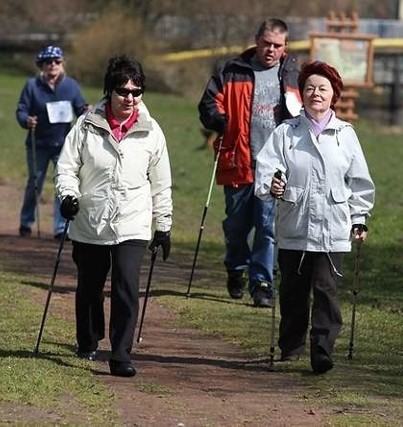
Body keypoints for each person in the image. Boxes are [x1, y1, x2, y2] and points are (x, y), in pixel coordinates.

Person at [55, 55, 172, 377]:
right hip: (90, 218)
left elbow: (161, 183)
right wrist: (68, 196)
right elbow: (66, 168)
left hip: (132, 220)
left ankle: (121, 354)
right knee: (90, 285)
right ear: (109, 91)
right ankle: (88, 339)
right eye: (123, 91)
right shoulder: (86, 125)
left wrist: (163, 226)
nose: (130, 98)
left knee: (126, 286)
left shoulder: (151, 131)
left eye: (137, 91)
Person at [254, 61, 375, 374]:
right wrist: (273, 184)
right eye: (309, 88)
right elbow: (267, 168)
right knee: (293, 291)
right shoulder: (286, 132)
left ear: (333, 94)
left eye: (322, 89)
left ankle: (322, 349)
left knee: (326, 290)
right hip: (295, 223)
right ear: (302, 94)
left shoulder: (346, 134)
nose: (315, 94)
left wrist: (359, 217)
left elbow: (360, 182)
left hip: (333, 227)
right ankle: (291, 346)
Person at [197, 18, 302, 308]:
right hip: (238, 159)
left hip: (276, 166)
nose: (271, 50)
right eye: (266, 43)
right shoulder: (232, 70)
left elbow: (308, 109)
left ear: (285, 47)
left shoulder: (293, 74)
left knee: (268, 227)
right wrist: (221, 120)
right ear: (256, 39)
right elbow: (208, 103)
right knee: (236, 225)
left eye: (277, 45)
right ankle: (236, 268)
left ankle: (262, 283)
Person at [16, 45, 89, 240]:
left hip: (63, 145)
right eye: (48, 62)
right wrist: (26, 120)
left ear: (62, 64)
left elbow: (80, 107)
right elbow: (21, 110)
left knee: (62, 184)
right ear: (41, 65)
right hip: (37, 143)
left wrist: (85, 110)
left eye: (57, 61)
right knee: (34, 183)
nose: (53, 65)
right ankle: (26, 221)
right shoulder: (32, 85)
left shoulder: (71, 86)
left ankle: (59, 227)